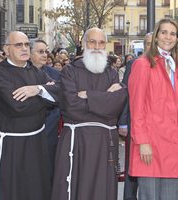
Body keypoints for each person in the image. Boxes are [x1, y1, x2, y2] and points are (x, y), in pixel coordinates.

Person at [0, 31, 59, 200]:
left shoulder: (35, 72)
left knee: (35, 189)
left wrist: (37, 89)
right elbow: (17, 106)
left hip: (36, 142)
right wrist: (45, 95)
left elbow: (59, 92)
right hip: (11, 145)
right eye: (18, 45)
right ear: (6, 49)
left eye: (26, 45)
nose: (24, 48)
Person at [51, 27, 127, 200]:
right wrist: (105, 98)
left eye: (101, 43)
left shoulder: (112, 73)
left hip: (104, 143)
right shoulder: (70, 71)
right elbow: (71, 106)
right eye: (92, 41)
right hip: (77, 141)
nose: (97, 46)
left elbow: (115, 106)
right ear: (84, 44)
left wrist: (89, 95)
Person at [128, 18, 178, 200]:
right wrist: (142, 142)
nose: (168, 37)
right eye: (164, 32)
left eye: (173, 33)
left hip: (173, 147)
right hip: (150, 146)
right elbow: (137, 107)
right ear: (156, 36)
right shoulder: (142, 65)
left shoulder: (175, 66)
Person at [118, 32, 153, 200]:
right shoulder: (134, 64)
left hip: (156, 128)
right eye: (147, 44)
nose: (150, 47)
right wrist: (123, 122)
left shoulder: (167, 64)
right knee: (133, 168)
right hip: (134, 125)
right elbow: (126, 95)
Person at [30, 39, 61, 184]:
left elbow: (59, 96)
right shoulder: (22, 72)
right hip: (27, 129)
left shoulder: (55, 74)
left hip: (50, 126)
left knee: (48, 170)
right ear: (30, 53)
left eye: (46, 51)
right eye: (40, 52)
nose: (45, 55)